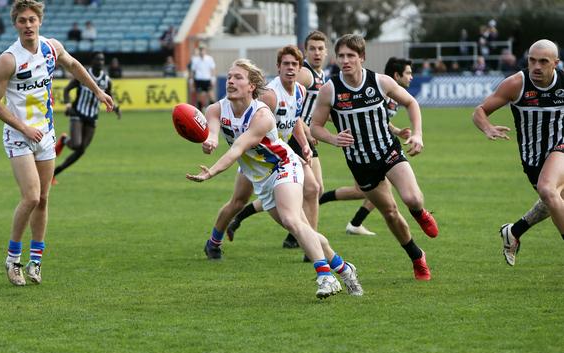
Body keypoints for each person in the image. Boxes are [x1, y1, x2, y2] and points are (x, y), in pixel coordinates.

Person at [188, 58, 363, 298]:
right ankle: (344, 268)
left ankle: (325, 277)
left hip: (284, 166)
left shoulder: (262, 116)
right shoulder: (215, 108)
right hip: (262, 181)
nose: (230, 81)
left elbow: (237, 149)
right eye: (229, 76)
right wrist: (210, 140)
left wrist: (211, 171)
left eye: (238, 77)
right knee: (302, 230)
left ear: (252, 86)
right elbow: (214, 131)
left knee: (292, 221)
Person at [0, 0, 114, 286]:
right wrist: (23, 127)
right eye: (22, 21)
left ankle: (36, 261)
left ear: (40, 21)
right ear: (15, 24)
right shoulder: (8, 59)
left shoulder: (51, 48)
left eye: (32, 20)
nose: (28, 25)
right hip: (19, 135)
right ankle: (12, 259)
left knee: (44, 198)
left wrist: (97, 91)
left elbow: (74, 66)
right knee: (30, 197)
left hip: (46, 134)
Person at [311, 34, 438, 281]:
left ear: (362, 58)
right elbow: (315, 126)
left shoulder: (380, 82)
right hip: (360, 163)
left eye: (351, 56)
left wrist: (418, 134)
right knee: (390, 212)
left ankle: (420, 212)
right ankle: (416, 256)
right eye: (341, 56)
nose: (345, 60)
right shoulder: (330, 90)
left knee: (412, 198)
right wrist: (333, 139)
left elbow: (412, 103)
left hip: (388, 151)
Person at [472, 39, 564, 267]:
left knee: (548, 190)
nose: (536, 67)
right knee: (552, 198)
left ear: (556, 63)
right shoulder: (516, 84)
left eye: (543, 61)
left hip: (560, 147)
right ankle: (513, 231)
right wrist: (488, 128)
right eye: (532, 60)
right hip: (532, 159)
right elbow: (480, 111)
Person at [316, 57, 414, 235]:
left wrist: (397, 131)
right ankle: (320, 202)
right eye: (408, 73)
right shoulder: (380, 87)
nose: (411, 77)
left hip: (378, 149)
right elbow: (341, 113)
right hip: (359, 151)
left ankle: (354, 223)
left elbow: (378, 121)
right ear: (396, 75)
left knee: (381, 192)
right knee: (362, 192)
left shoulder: (390, 95)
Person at [54, 52, 121, 184]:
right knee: (76, 144)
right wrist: (68, 106)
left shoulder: (106, 80)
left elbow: (109, 97)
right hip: (77, 113)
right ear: (93, 61)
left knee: (81, 150)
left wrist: (116, 109)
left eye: (102, 60)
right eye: (98, 59)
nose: (100, 62)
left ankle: (55, 172)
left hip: (92, 117)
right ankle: (64, 139)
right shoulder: (83, 75)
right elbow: (67, 90)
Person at [189, 44, 216, 111]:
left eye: (203, 50)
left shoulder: (209, 59)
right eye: (200, 50)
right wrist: (191, 80)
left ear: (205, 50)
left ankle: (213, 111)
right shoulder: (195, 59)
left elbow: (212, 69)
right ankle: (200, 111)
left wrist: (213, 79)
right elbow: (193, 71)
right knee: (200, 97)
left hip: (207, 79)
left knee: (211, 96)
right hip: (199, 80)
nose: (201, 51)